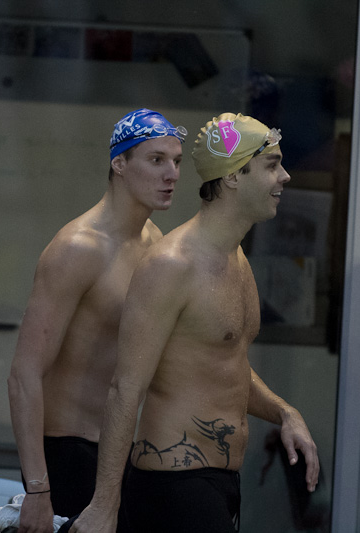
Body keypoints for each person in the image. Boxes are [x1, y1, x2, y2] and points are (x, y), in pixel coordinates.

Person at [70, 113, 319, 533]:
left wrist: (284, 412)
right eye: (272, 165)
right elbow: (125, 388)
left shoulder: (236, 258)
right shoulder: (172, 265)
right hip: (172, 487)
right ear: (234, 176)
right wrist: (104, 505)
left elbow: (223, 366)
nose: (285, 176)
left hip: (220, 484)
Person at [7, 108, 186, 532]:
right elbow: (23, 375)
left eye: (177, 161)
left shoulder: (154, 242)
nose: (172, 174)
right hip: (66, 454)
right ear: (119, 164)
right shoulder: (78, 248)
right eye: (156, 160)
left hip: (116, 455)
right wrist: (38, 489)